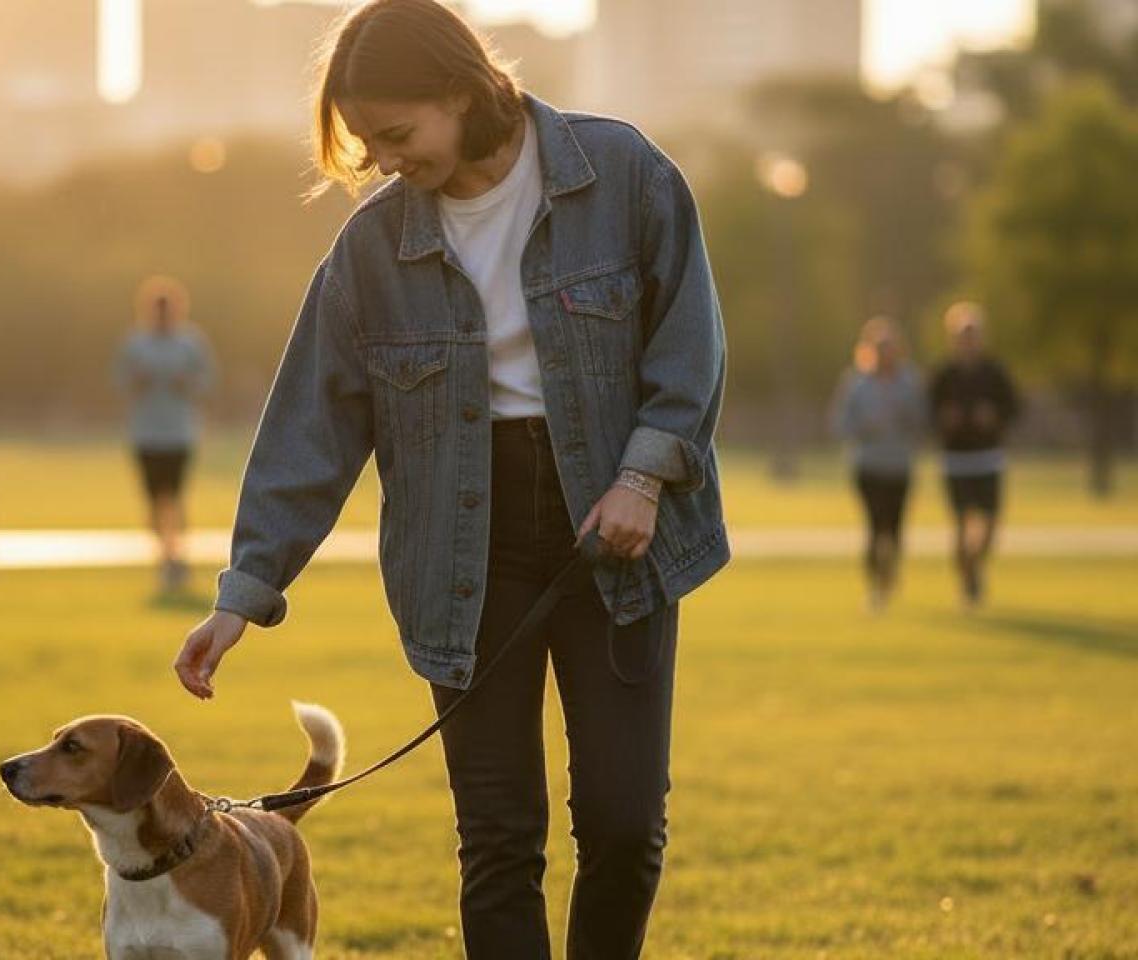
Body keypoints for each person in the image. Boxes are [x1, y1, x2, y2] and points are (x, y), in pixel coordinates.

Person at [171, 3, 729, 957]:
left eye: (397, 134)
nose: (385, 160)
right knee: (498, 840)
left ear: (465, 89)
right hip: (463, 557)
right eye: (367, 143)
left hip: (616, 538)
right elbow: (310, 430)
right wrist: (243, 595)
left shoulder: (624, 175)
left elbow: (690, 345)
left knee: (626, 825)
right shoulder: (371, 250)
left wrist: (644, 476)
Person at [114, 275, 216, 593]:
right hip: (146, 433)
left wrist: (186, 383)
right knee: (154, 498)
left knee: (175, 496)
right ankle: (164, 554)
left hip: (179, 433)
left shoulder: (190, 343)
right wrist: (138, 382)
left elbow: (207, 379)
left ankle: (177, 554)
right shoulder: (135, 343)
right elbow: (120, 381)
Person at [830, 316, 928, 613]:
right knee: (874, 527)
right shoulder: (857, 383)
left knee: (894, 529)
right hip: (868, 466)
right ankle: (874, 584)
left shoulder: (910, 381)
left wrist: (904, 421)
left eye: (890, 347)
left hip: (899, 465)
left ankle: (890, 572)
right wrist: (864, 428)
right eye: (880, 347)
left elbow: (922, 421)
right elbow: (841, 423)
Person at [929, 303, 1020, 609]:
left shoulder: (995, 373)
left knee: (990, 524)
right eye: (962, 335)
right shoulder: (944, 375)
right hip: (956, 460)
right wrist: (944, 420)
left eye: (973, 334)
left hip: (988, 457)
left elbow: (1014, 408)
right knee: (962, 523)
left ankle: (974, 568)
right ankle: (967, 582)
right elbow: (927, 413)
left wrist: (994, 417)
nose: (968, 340)